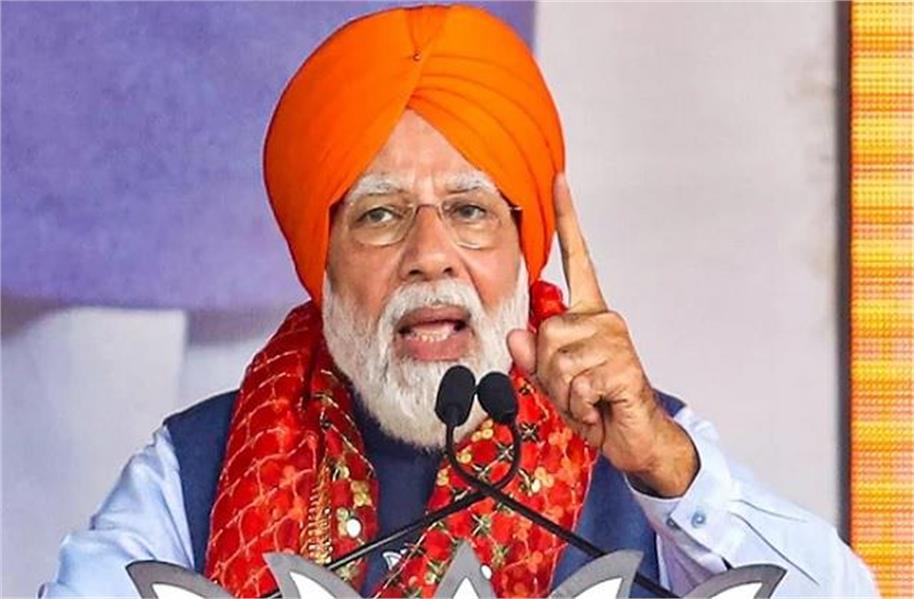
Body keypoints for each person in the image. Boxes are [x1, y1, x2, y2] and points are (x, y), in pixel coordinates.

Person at [42, 5, 876, 598]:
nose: (429, 254)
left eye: (470, 210)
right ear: (320, 259)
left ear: (522, 247)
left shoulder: (646, 450)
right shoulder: (194, 464)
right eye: (380, 214)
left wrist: (667, 468)